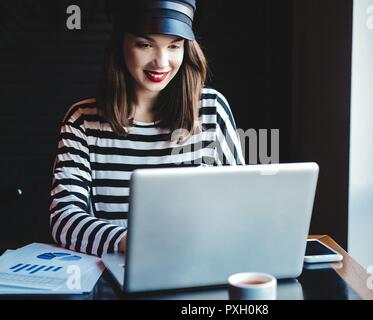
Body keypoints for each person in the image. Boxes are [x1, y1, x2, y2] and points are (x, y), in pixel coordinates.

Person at [49, 0, 245, 257]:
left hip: (198, 264)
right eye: (145, 44)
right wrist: (132, 242)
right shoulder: (82, 121)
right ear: (121, 45)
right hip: (117, 271)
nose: (161, 62)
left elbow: (242, 206)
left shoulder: (211, 109)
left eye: (174, 46)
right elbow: (64, 219)